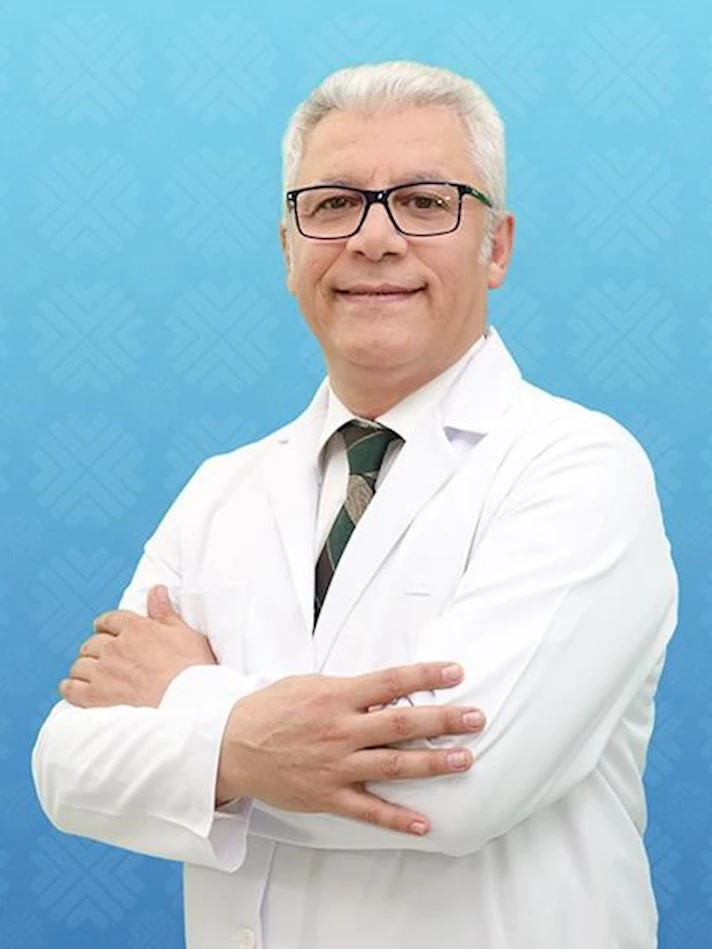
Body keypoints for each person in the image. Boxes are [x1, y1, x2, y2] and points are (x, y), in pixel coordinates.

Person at [32, 61, 678, 949]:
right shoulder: (222, 489)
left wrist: (186, 698)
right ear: (288, 248)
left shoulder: (579, 469)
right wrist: (259, 746)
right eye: (333, 204)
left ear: (496, 247)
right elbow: (69, 767)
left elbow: (454, 786)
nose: (374, 239)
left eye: (424, 201)